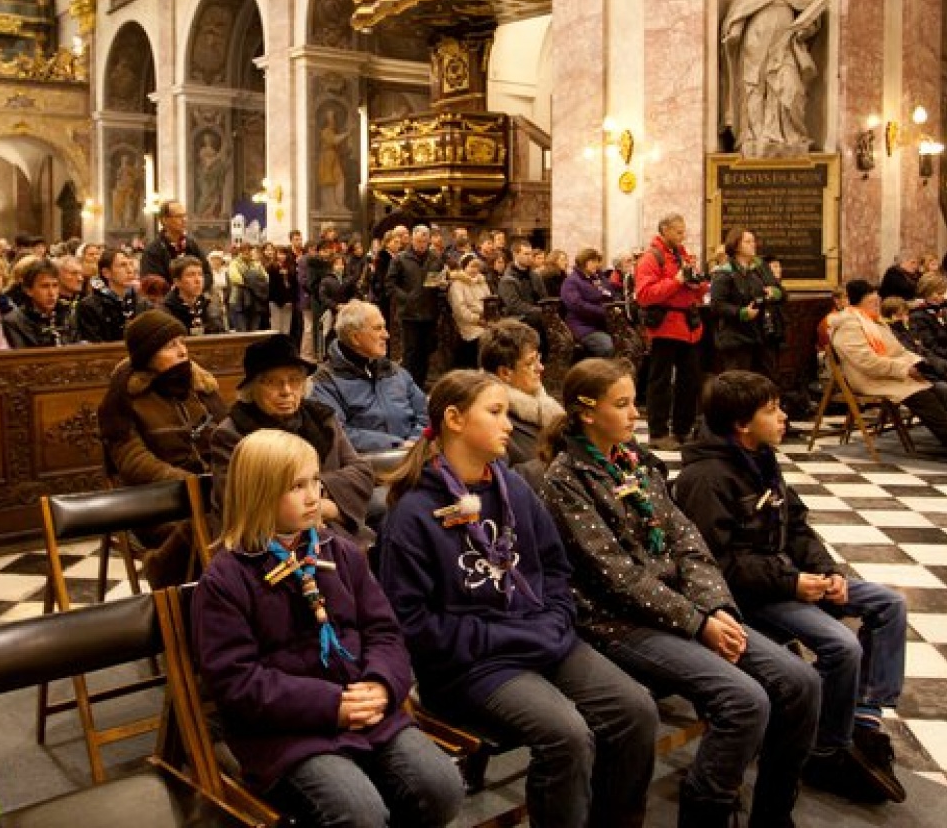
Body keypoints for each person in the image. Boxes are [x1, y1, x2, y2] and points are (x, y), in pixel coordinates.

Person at [538, 358, 818, 827]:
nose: (635, 415)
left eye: (633, 403)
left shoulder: (637, 463)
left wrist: (716, 606)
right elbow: (617, 577)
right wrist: (697, 622)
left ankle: (773, 812)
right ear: (587, 413)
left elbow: (689, 541)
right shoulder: (566, 480)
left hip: (684, 608)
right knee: (745, 700)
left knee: (800, 682)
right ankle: (705, 811)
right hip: (619, 622)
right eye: (622, 405)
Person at [377, 371, 659, 828]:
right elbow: (412, 626)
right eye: (495, 412)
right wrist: (509, 636)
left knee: (636, 710)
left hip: (540, 638)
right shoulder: (411, 514)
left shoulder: (514, 488)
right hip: (471, 664)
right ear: (453, 419)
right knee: (567, 735)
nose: (509, 424)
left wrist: (555, 619)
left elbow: (554, 567)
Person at [194, 429, 463, 828]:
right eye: (296, 486)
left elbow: (385, 632)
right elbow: (237, 682)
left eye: (315, 481)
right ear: (259, 492)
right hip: (288, 732)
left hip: (369, 711)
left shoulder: (340, 552)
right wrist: (330, 704)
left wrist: (381, 684)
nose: (313, 496)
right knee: (358, 813)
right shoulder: (226, 579)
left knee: (443, 787)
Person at [675, 371, 907, 804]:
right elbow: (714, 565)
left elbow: (796, 525)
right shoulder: (706, 479)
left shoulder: (762, 458)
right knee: (843, 647)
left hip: (789, 578)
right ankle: (824, 751)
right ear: (743, 424)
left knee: (888, 604)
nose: (784, 417)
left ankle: (863, 720)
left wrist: (827, 570)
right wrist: (792, 582)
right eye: (772, 410)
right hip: (752, 596)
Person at [97, 310, 228, 586]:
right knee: (209, 524)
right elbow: (134, 462)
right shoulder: (125, 401)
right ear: (148, 355)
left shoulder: (199, 388)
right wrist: (190, 484)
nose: (182, 351)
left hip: (212, 493)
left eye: (182, 342)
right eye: (170, 346)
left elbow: (227, 435)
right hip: (159, 504)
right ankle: (167, 573)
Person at [210, 334, 374, 547]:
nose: (286, 391)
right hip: (267, 544)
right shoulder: (232, 434)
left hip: (334, 529)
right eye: (272, 382)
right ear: (251, 388)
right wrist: (315, 502)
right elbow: (241, 502)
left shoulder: (322, 419)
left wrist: (325, 507)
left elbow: (361, 470)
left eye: (294, 380)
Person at [720, 0, 824, 157]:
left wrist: (804, 31)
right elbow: (738, 13)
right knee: (754, 92)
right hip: (754, 47)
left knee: (791, 91)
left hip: (785, 47)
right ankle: (754, 135)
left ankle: (789, 136)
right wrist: (734, 31)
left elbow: (813, 20)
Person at [828, 280, 947, 457]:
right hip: (870, 378)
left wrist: (922, 364)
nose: (877, 306)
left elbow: (899, 351)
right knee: (923, 396)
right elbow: (867, 362)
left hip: (890, 372)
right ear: (859, 303)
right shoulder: (849, 325)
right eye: (872, 303)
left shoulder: (873, 321)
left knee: (940, 389)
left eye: (877, 302)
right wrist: (904, 369)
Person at [310, 301, 429, 453]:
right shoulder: (326, 381)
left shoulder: (395, 371)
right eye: (378, 328)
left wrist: (414, 442)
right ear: (355, 338)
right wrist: (396, 445)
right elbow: (337, 432)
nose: (386, 335)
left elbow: (426, 414)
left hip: (413, 457)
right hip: (366, 467)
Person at [634, 213, 708, 450]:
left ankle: (683, 430)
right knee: (661, 381)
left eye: (683, 230)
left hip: (689, 326)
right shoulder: (651, 258)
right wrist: (676, 281)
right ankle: (658, 433)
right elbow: (645, 295)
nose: (682, 235)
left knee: (690, 380)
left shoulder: (682, 254)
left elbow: (697, 291)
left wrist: (698, 283)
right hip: (665, 326)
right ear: (664, 230)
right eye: (678, 231)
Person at [478, 319, 563, 489]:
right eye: (531, 363)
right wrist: (559, 461)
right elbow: (499, 481)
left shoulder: (544, 404)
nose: (541, 368)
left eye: (539, 359)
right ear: (505, 373)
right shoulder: (491, 417)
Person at [710, 228, 787, 377]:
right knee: (740, 385)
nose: (753, 245)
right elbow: (717, 305)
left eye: (753, 241)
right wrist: (741, 313)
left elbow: (780, 292)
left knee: (765, 382)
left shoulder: (758, 268)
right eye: (748, 241)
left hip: (761, 336)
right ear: (736, 245)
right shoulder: (724, 273)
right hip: (737, 339)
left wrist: (775, 293)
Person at [385, 225, 445, 388]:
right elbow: (390, 285)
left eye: (424, 241)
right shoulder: (400, 259)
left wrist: (442, 288)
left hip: (429, 313)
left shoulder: (435, 259)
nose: (421, 244)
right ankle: (408, 385)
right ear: (412, 239)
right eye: (418, 241)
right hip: (409, 314)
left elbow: (439, 282)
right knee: (411, 353)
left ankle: (421, 383)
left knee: (426, 351)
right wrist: (405, 297)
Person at [3, 258, 78, 348]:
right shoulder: (13, 322)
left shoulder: (68, 314)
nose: (51, 293)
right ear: (28, 290)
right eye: (45, 286)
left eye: (55, 285)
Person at [76, 248, 148, 343]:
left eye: (131, 264)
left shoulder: (142, 303)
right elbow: (94, 345)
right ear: (106, 273)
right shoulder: (89, 306)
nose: (130, 270)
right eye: (123, 265)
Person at [140, 200, 211, 292]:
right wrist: (180, 291)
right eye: (179, 216)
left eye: (185, 215)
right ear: (164, 220)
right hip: (166, 302)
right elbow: (150, 282)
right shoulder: (153, 250)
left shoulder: (192, 245)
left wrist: (196, 287)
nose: (184, 220)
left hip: (194, 300)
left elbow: (208, 274)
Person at [560, 248, 617, 359]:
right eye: (594, 261)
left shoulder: (595, 278)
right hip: (583, 326)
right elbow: (577, 305)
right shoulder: (571, 281)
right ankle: (598, 374)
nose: (597, 264)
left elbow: (610, 293)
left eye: (597, 261)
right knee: (606, 347)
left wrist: (613, 306)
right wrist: (604, 311)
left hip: (602, 324)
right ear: (584, 262)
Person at [447, 253, 491, 369]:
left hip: (485, 321)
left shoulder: (481, 282)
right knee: (484, 338)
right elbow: (460, 310)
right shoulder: (457, 285)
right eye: (471, 266)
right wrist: (478, 320)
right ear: (464, 267)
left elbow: (490, 301)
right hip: (469, 324)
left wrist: (489, 317)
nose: (474, 270)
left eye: (477, 266)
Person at [163, 255, 225, 336]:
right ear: (177, 282)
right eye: (191, 275)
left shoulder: (209, 306)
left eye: (200, 274)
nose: (198, 280)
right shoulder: (167, 311)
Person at [227, 243, 270, 333]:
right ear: (240, 252)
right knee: (242, 333)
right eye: (244, 250)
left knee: (254, 333)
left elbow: (266, 279)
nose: (247, 252)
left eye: (249, 250)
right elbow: (236, 278)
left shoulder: (256, 264)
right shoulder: (234, 263)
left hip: (255, 302)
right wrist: (255, 280)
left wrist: (248, 278)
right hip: (238, 301)